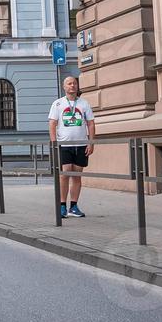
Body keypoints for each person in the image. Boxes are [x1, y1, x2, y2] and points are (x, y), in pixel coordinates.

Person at [48, 76, 95, 220]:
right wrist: (54, 143)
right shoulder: (58, 104)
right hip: (64, 145)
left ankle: (73, 206)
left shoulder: (84, 104)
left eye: (74, 83)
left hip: (81, 145)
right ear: (64, 87)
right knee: (64, 174)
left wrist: (91, 142)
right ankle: (62, 205)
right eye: (69, 83)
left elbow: (91, 123)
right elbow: (52, 124)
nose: (72, 86)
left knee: (76, 176)